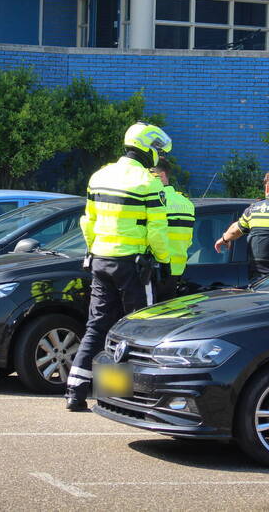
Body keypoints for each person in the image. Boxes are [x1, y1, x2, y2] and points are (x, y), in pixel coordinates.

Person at [65, 122, 172, 411]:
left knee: (96, 325)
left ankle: (75, 390)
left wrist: (93, 250)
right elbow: (157, 231)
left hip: (100, 260)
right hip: (133, 267)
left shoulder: (99, 176)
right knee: (140, 329)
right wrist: (165, 262)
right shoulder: (149, 183)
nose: (159, 157)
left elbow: (88, 221)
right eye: (157, 152)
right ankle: (130, 396)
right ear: (148, 149)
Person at [151, 158, 194, 298]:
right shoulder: (186, 203)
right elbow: (189, 240)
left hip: (158, 269)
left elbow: (153, 236)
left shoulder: (156, 200)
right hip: (177, 271)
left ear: (162, 175)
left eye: (150, 173)